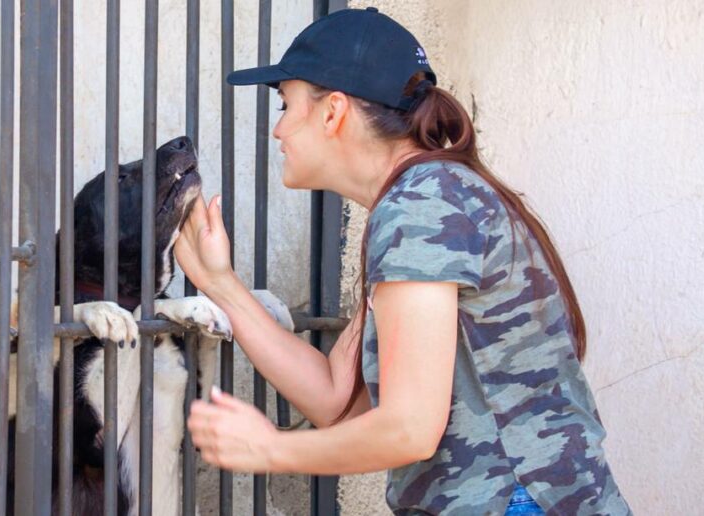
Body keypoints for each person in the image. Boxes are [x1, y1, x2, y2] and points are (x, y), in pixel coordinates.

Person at [175, 7, 631, 516]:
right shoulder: (423, 197)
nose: (277, 131)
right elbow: (334, 398)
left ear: (333, 112)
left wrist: (270, 448)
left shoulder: (421, 207)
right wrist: (221, 283)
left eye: (285, 105)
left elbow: (410, 428)